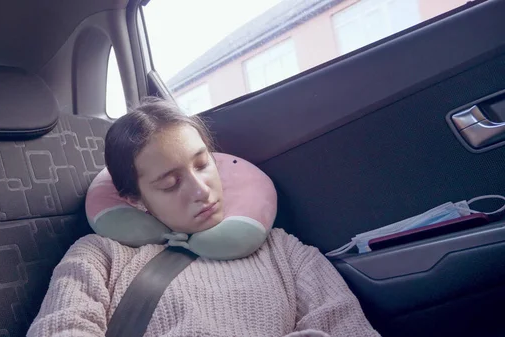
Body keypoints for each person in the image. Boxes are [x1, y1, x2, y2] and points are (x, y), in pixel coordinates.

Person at [27, 97, 380, 337]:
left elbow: (349, 328)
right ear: (136, 200)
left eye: (202, 164)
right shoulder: (99, 256)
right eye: (169, 183)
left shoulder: (284, 250)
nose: (202, 191)